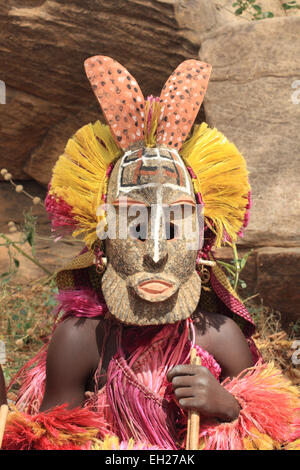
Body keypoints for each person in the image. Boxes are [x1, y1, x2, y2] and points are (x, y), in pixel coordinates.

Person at [2, 56, 299, 450]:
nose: (156, 253)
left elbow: (281, 434)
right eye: (134, 227)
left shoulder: (220, 337)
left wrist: (230, 406)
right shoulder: (79, 341)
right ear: (101, 241)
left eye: (176, 226)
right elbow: (49, 440)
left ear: (202, 244)